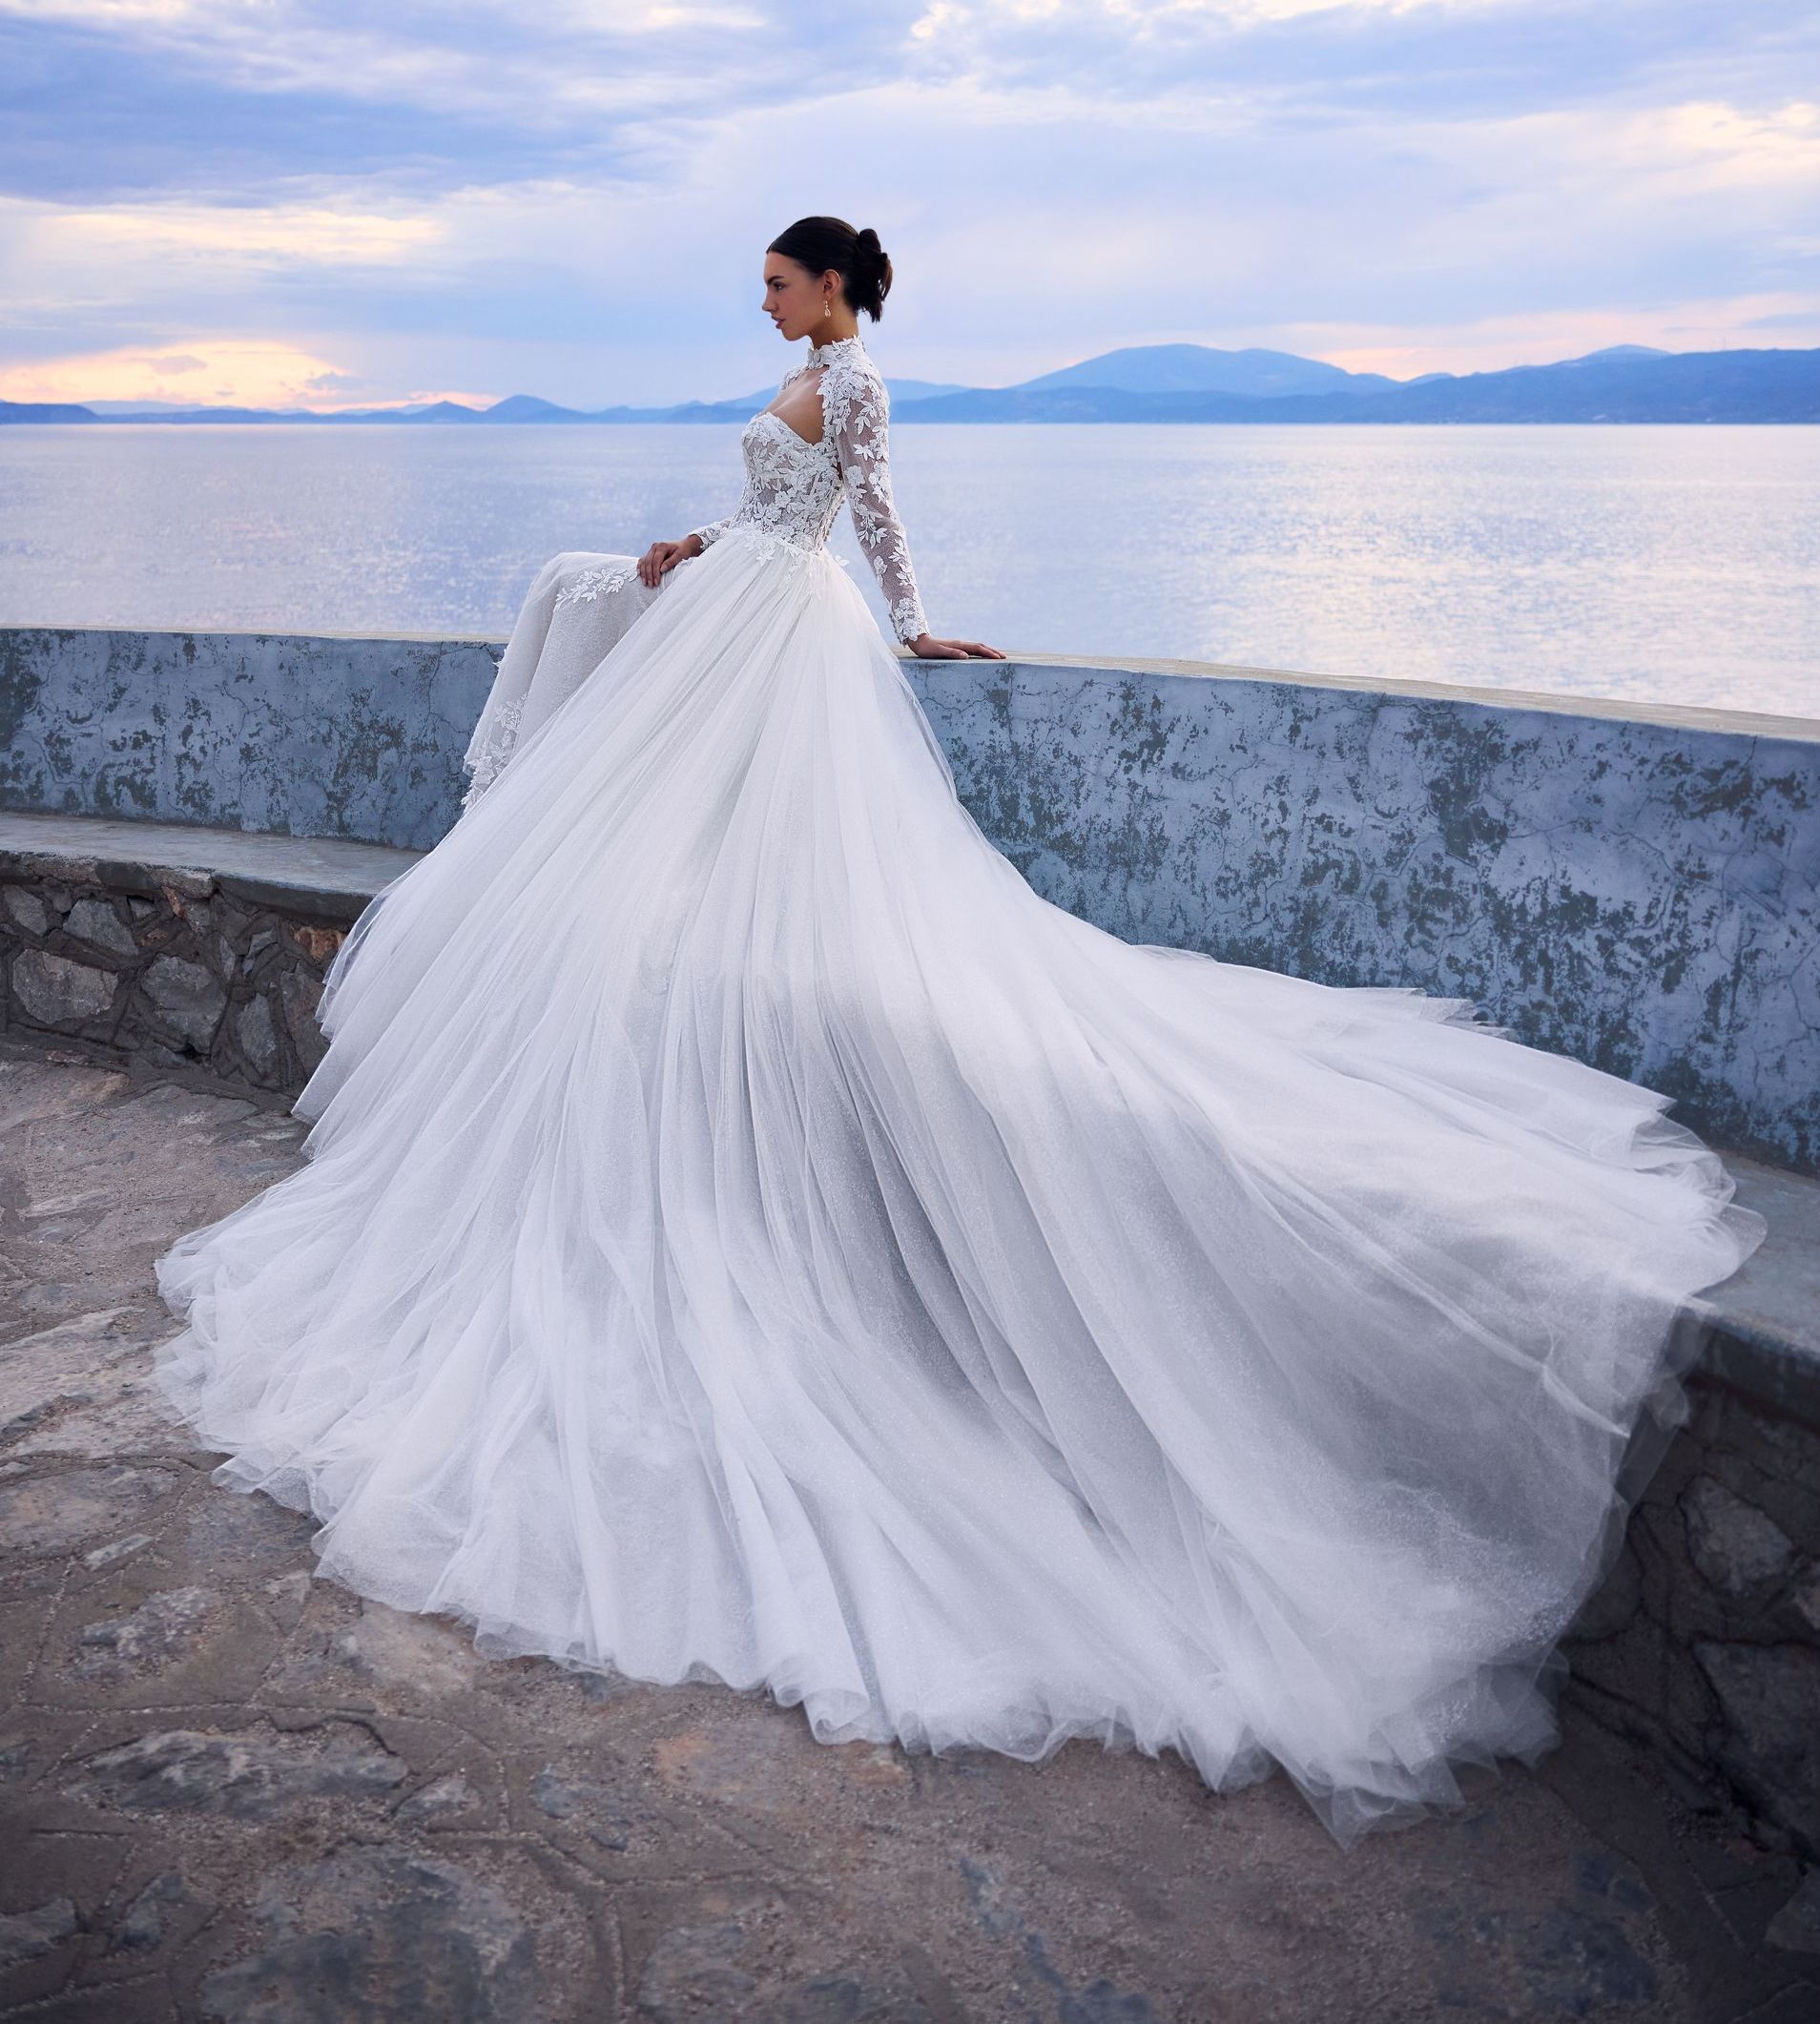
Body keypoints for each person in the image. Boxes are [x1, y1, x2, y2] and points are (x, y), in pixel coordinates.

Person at [149, 215, 1766, 1850]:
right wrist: (686, 556)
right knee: (671, 887)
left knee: (782, 881)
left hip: (798, 643)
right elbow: (767, 507)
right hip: (737, 607)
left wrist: (915, 621)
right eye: (769, 290)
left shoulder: (860, 382)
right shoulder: (803, 376)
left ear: (837, 288)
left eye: (782, 283)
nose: (767, 303)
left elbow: (870, 517)